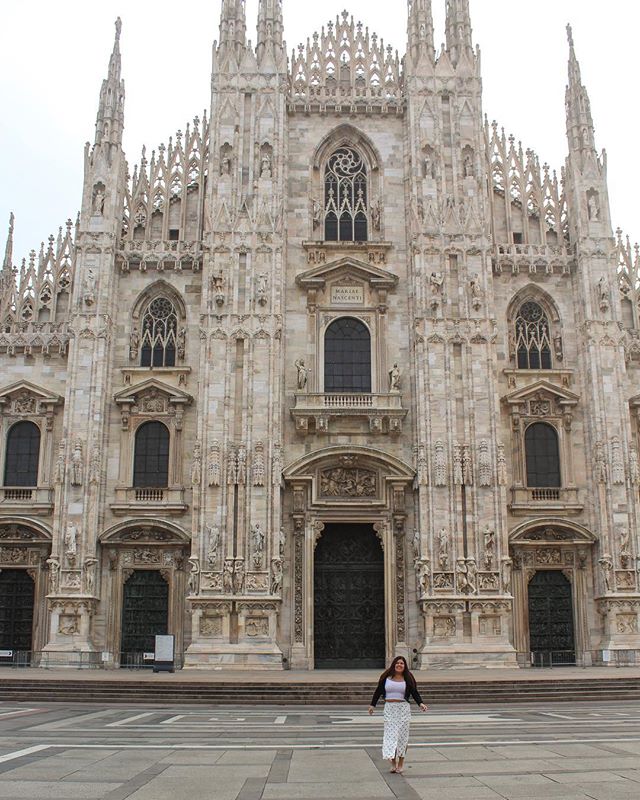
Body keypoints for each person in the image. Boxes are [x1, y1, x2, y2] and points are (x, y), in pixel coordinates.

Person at [368, 656, 428, 774]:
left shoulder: (408, 679)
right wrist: (372, 705)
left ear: (404, 666)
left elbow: (414, 692)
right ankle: (393, 763)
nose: (399, 665)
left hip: (403, 709)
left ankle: (401, 763)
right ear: (394, 665)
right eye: (397, 663)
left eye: (402, 663)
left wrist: (420, 703)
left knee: (402, 737)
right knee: (390, 736)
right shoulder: (386, 678)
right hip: (390, 708)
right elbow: (378, 691)